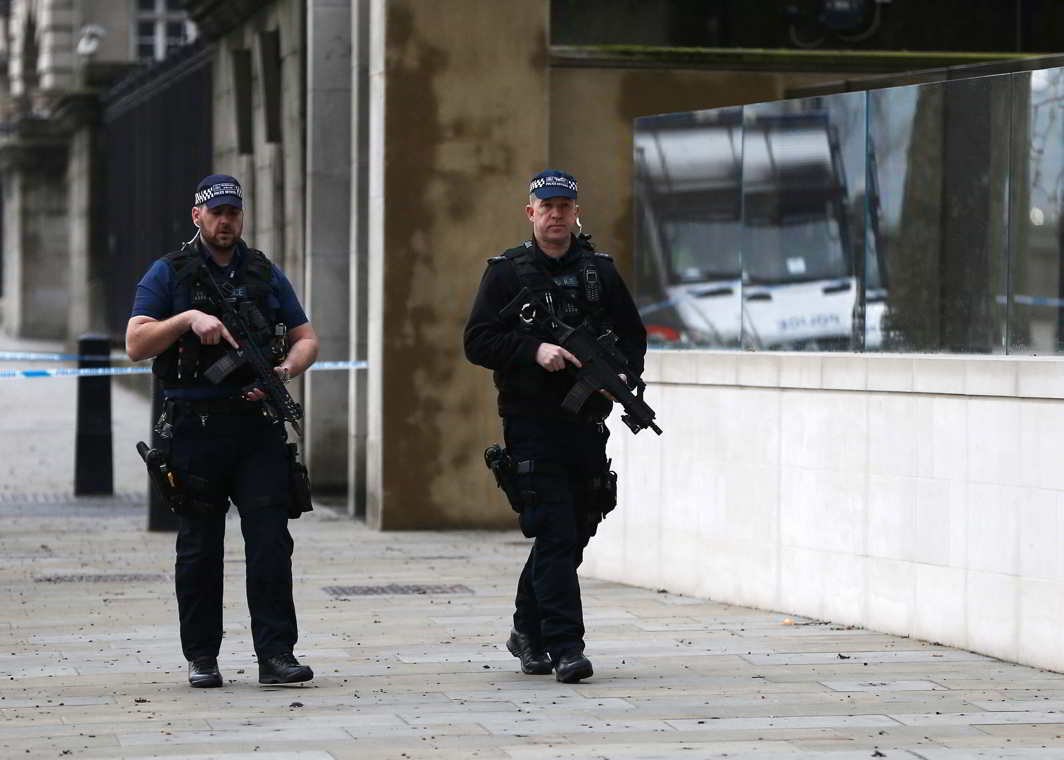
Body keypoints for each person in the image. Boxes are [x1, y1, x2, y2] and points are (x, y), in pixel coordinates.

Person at [125, 174, 320, 688]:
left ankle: (276, 655)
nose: (225, 220)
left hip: (255, 428)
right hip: (195, 429)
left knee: (271, 542)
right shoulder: (168, 272)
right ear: (197, 216)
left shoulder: (262, 272)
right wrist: (187, 319)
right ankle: (202, 657)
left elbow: (305, 337)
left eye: (233, 212)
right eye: (216, 212)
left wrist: (284, 371)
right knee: (199, 548)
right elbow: (136, 342)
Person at [463, 170, 647, 683]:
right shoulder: (506, 273)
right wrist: (532, 349)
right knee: (555, 530)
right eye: (547, 206)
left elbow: (634, 336)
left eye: (565, 205)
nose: (557, 214)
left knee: (577, 527)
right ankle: (566, 647)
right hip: (531, 424)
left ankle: (526, 629)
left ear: (575, 211)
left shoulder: (599, 272)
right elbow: (477, 341)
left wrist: (621, 376)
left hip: (586, 423)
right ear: (531, 213)